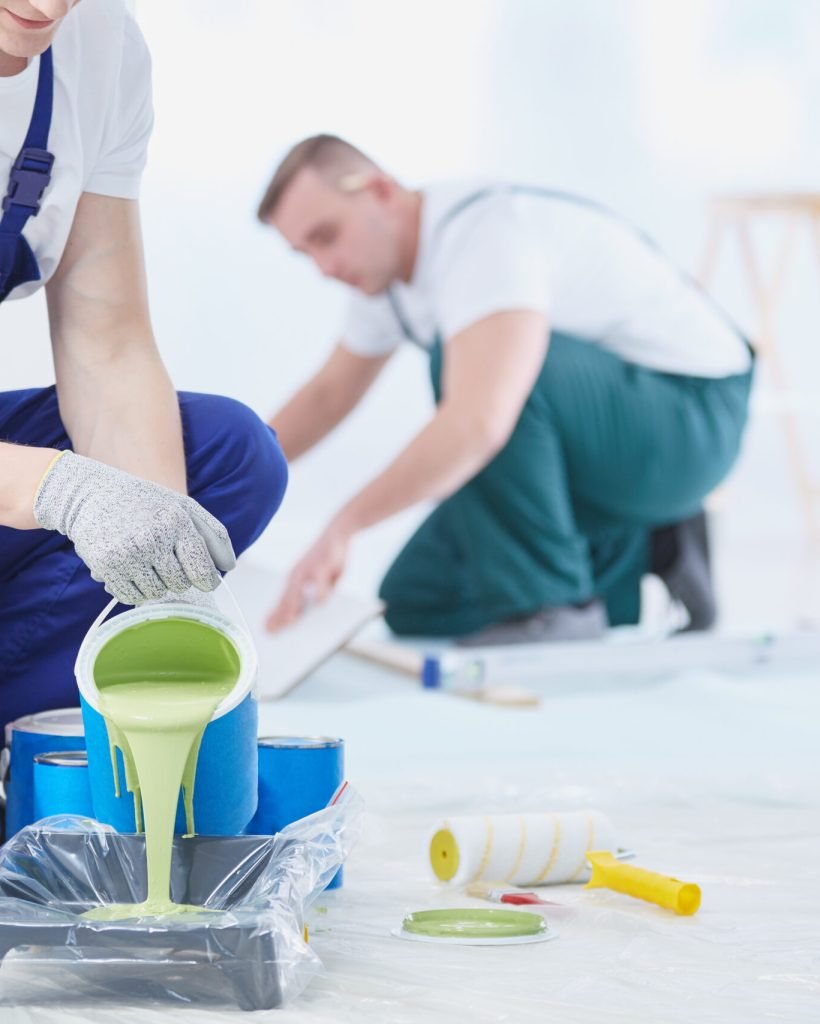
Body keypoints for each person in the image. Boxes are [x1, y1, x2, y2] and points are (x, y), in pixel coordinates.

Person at [259, 134, 753, 645]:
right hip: (604, 445)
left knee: (476, 366)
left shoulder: (482, 233)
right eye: (306, 253)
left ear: (380, 192)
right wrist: (207, 496)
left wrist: (344, 527)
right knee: (416, 598)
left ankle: (553, 605)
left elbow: (481, 421)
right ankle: (648, 543)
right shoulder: (381, 277)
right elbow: (328, 396)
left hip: (691, 417)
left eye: (326, 237)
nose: (324, 268)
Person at [0, 0, 287, 738]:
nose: (45, 7)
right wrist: (54, 487)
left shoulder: (97, 43)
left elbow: (109, 345)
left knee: (225, 454)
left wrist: (166, 595)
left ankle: (65, 724)